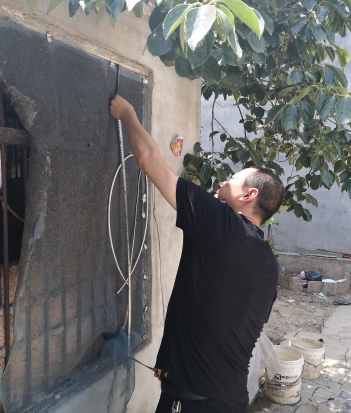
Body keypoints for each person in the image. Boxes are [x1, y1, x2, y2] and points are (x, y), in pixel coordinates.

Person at [110, 95, 284, 413]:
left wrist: (127, 114)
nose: (223, 181)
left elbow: (149, 159)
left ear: (249, 194)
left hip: (192, 403)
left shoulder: (219, 222)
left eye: (233, 178)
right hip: (230, 400)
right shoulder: (269, 265)